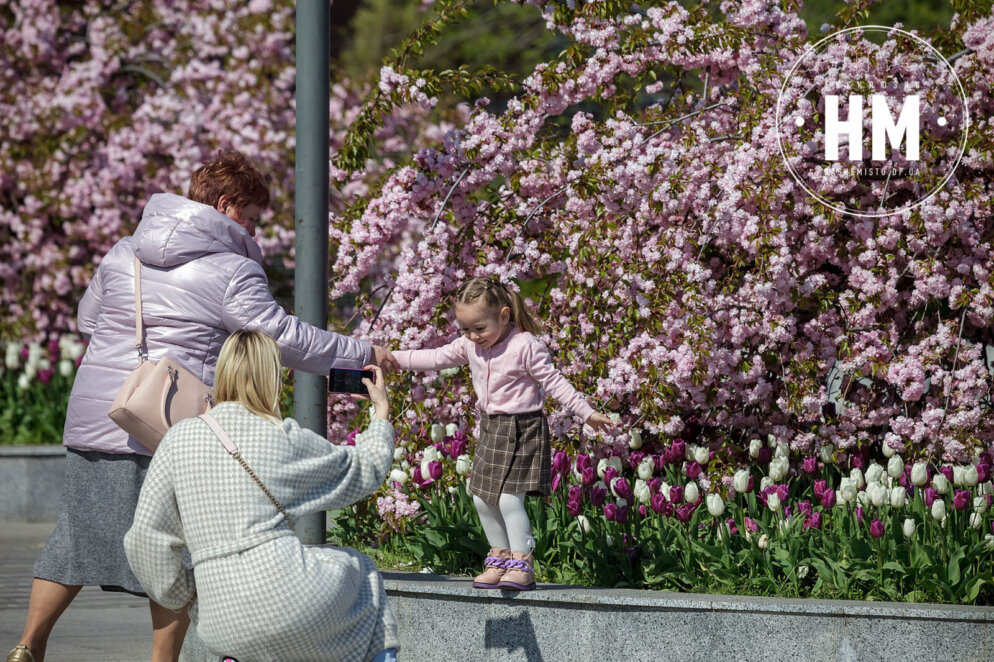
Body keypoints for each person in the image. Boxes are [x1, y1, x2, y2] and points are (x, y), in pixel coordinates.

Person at [6, 149, 396, 662]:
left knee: (77, 538)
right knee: (174, 543)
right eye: (253, 219)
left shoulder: (125, 251)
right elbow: (282, 338)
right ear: (228, 205)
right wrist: (363, 352)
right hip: (169, 426)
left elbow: (87, 320)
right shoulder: (230, 270)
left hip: (99, 415)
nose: (255, 232)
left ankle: (26, 647)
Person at [124, 330, 399, 662]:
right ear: (274, 378)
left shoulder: (178, 439)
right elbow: (365, 469)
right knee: (363, 571)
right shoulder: (283, 437)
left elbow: (145, 541)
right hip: (288, 596)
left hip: (220, 619)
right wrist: (380, 412)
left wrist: (186, 594)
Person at [393, 276, 613, 591]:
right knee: (482, 498)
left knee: (510, 500)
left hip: (524, 428)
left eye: (479, 328)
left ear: (505, 316)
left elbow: (553, 381)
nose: (472, 336)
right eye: (466, 329)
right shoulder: (470, 345)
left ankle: (522, 564)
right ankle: (500, 558)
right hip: (493, 428)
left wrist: (587, 413)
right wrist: (391, 359)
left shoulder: (524, 345)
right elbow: (433, 358)